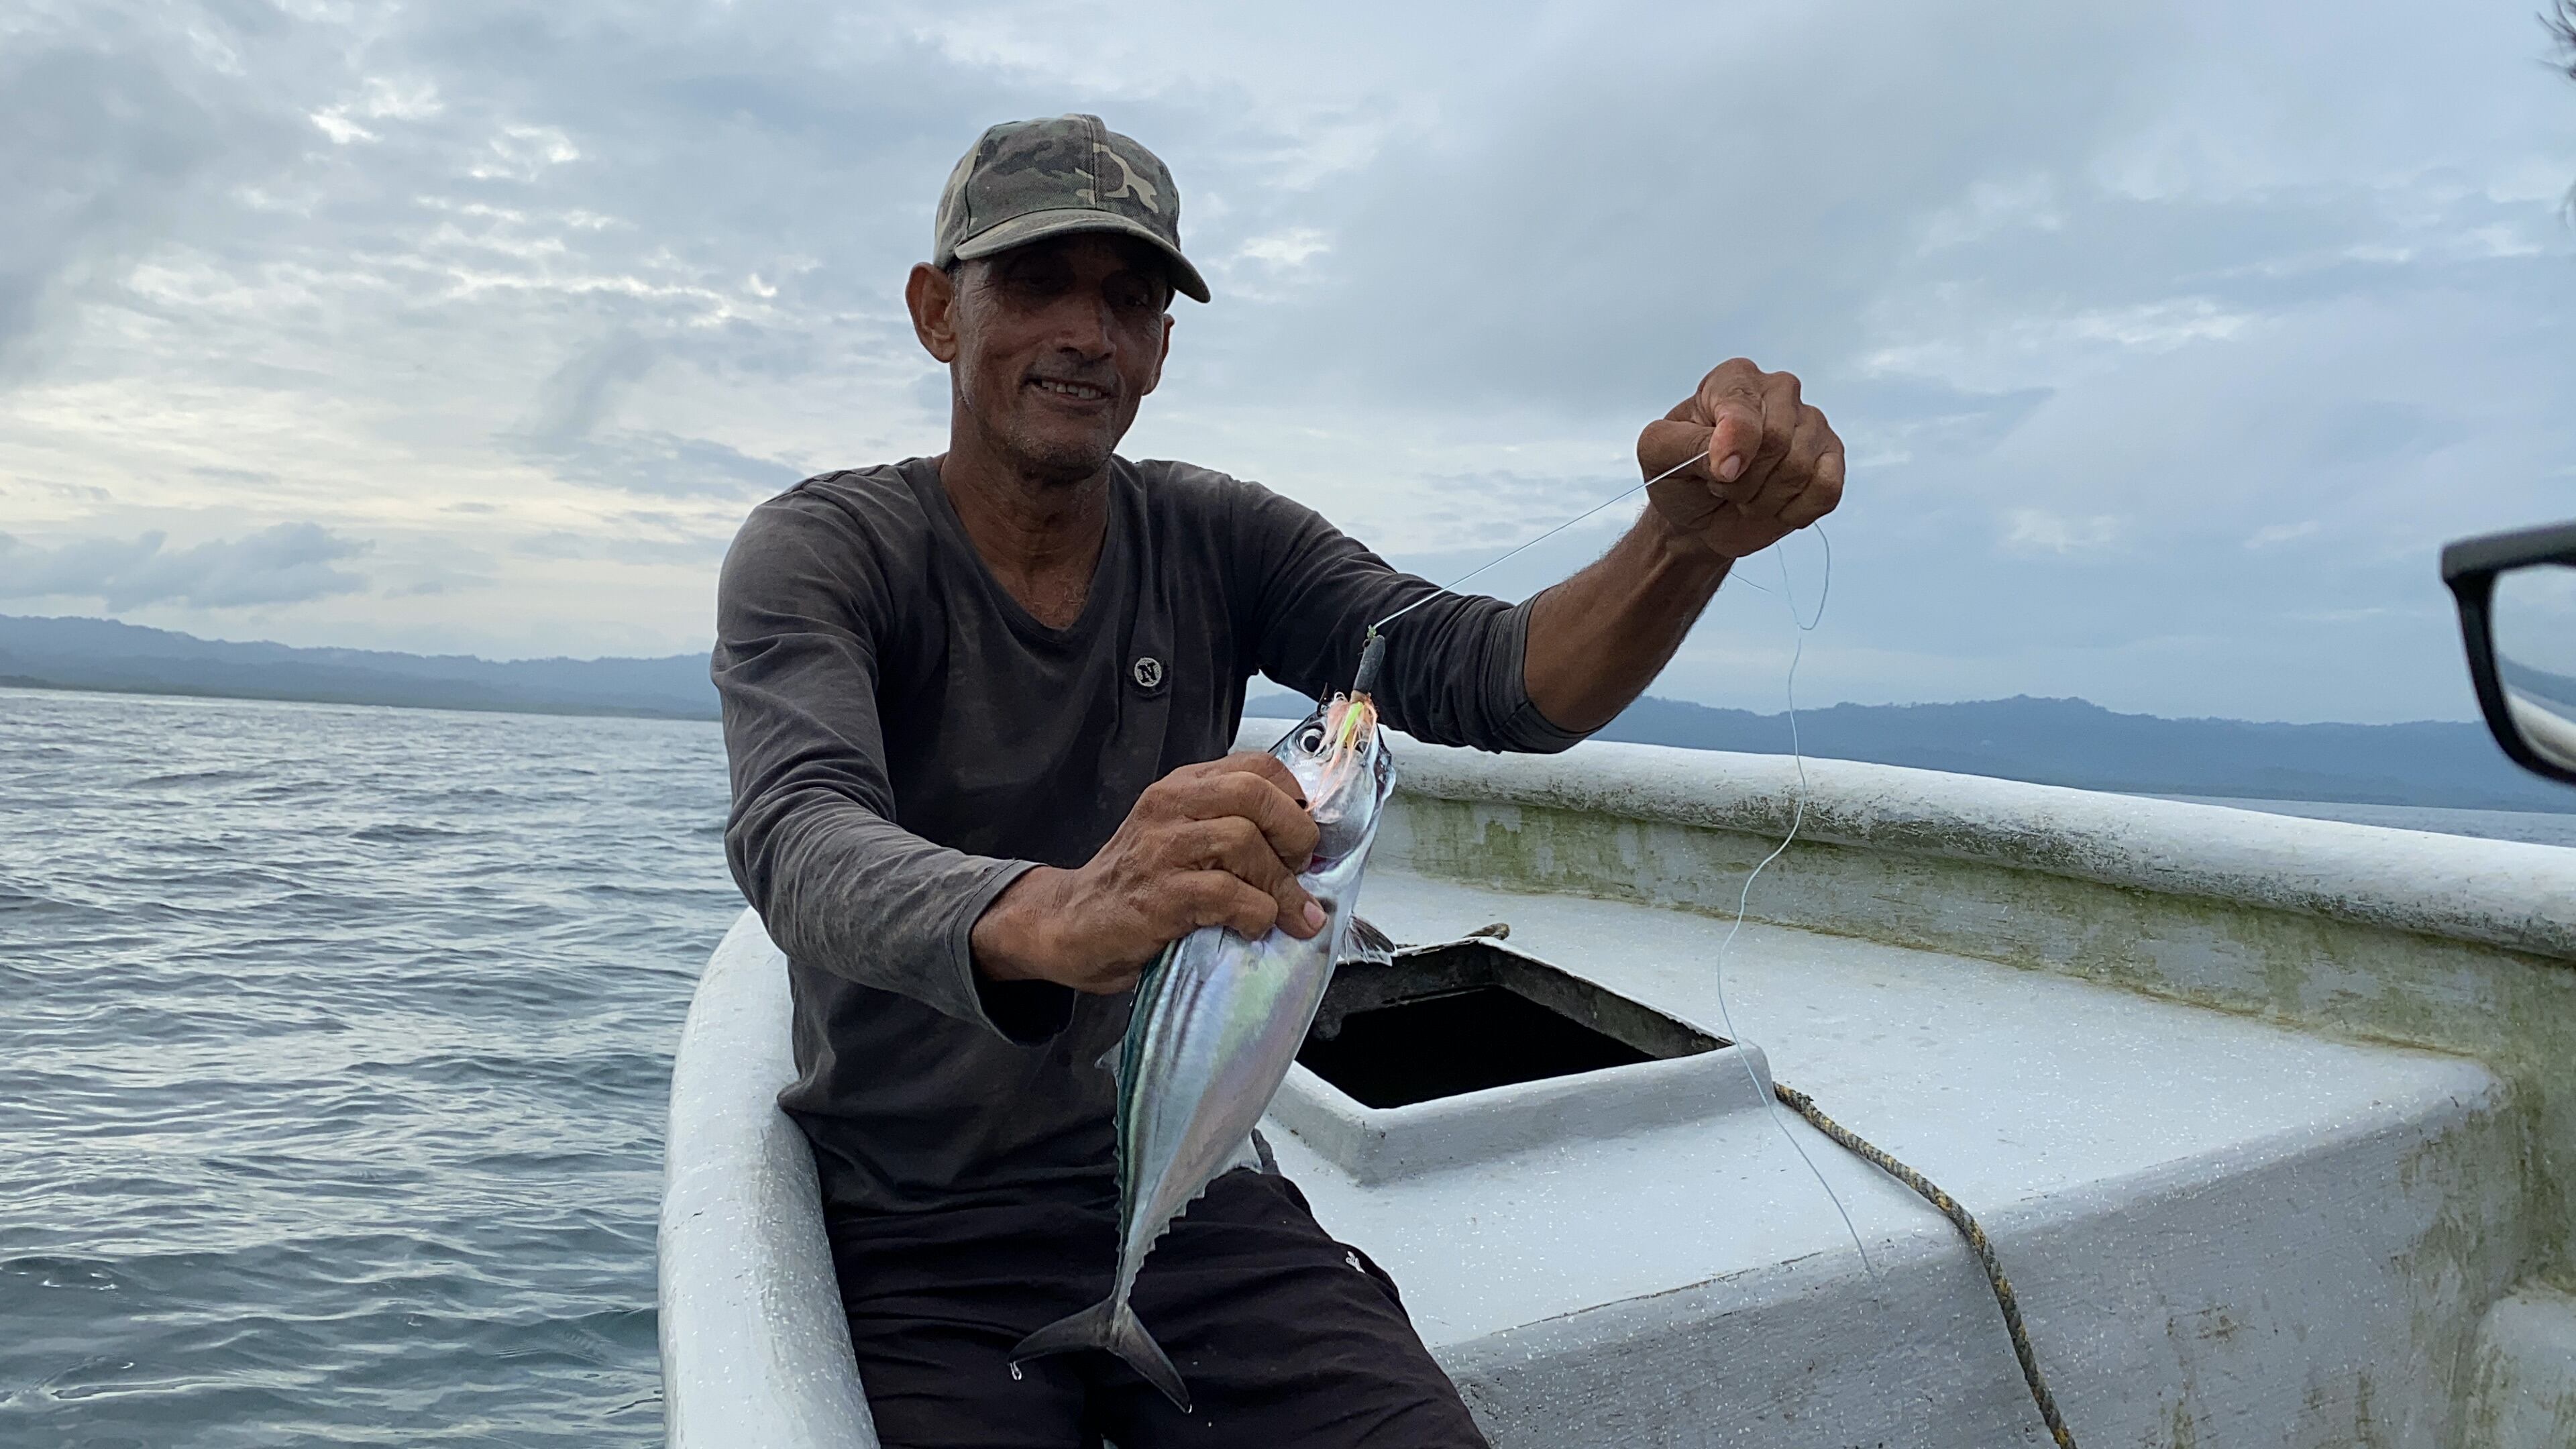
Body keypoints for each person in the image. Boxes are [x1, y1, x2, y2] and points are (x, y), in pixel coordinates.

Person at [711, 113, 1845, 1448]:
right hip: (918, 1219)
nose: (1086, 330)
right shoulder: (822, 554)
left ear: (1160, 349)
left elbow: (1491, 677)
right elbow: (799, 835)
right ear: (936, 312)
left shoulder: (1216, 536)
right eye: (1034, 283)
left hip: (1197, 1202)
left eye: (1128, 299)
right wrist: (1062, 914)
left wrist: (1680, 543)